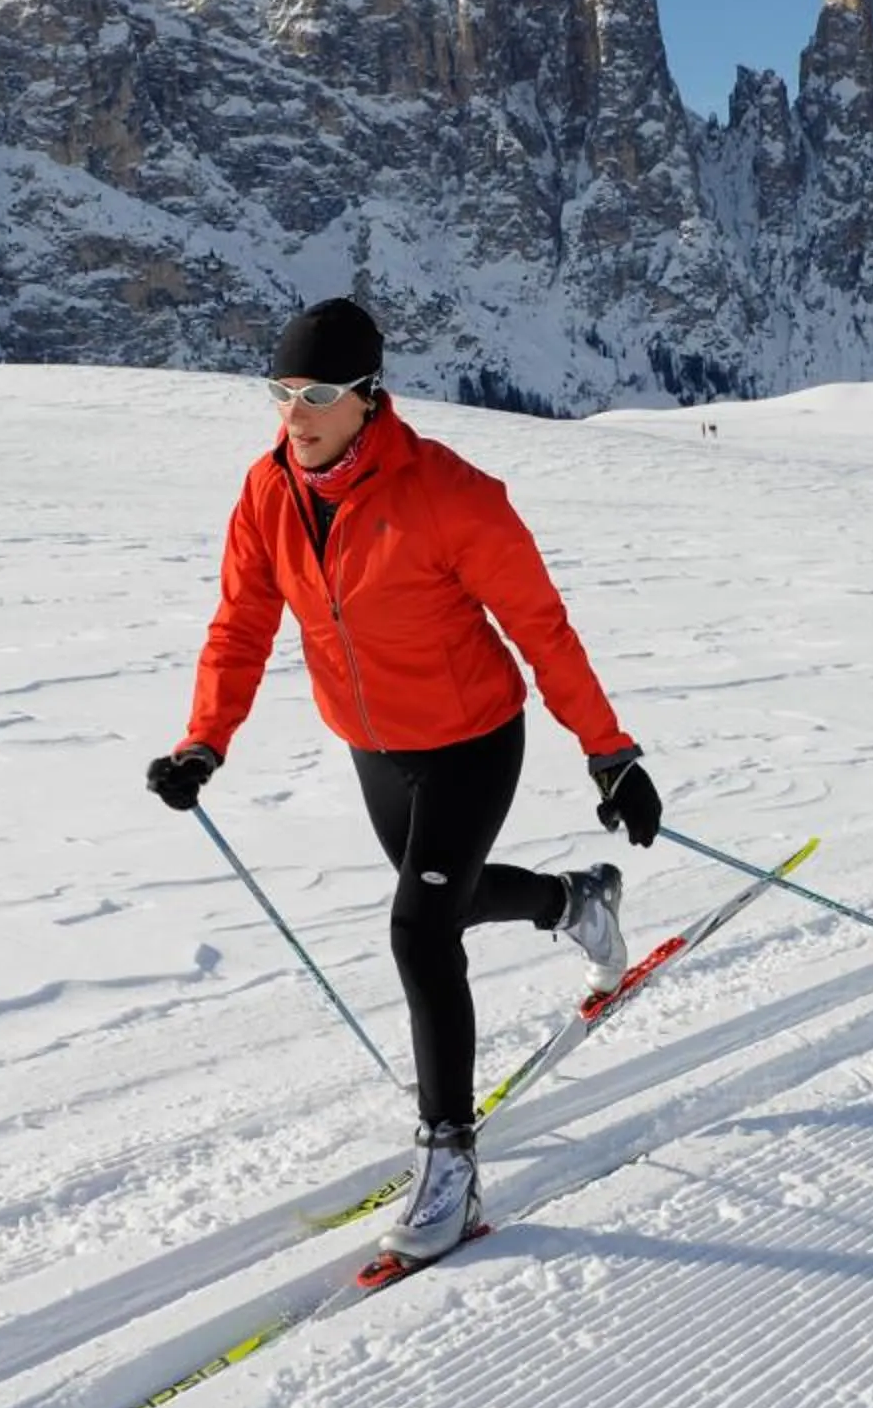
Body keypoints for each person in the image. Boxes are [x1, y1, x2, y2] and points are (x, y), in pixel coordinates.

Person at [145, 297, 663, 1263]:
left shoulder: (451, 495)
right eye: (282, 391)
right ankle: (575, 903)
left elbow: (542, 629)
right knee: (445, 905)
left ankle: (450, 1166)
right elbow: (241, 623)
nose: (296, 414)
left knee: (418, 930)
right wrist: (203, 743)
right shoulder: (267, 494)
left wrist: (609, 751)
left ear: (370, 397)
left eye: (320, 393)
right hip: (374, 745)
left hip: (470, 736)